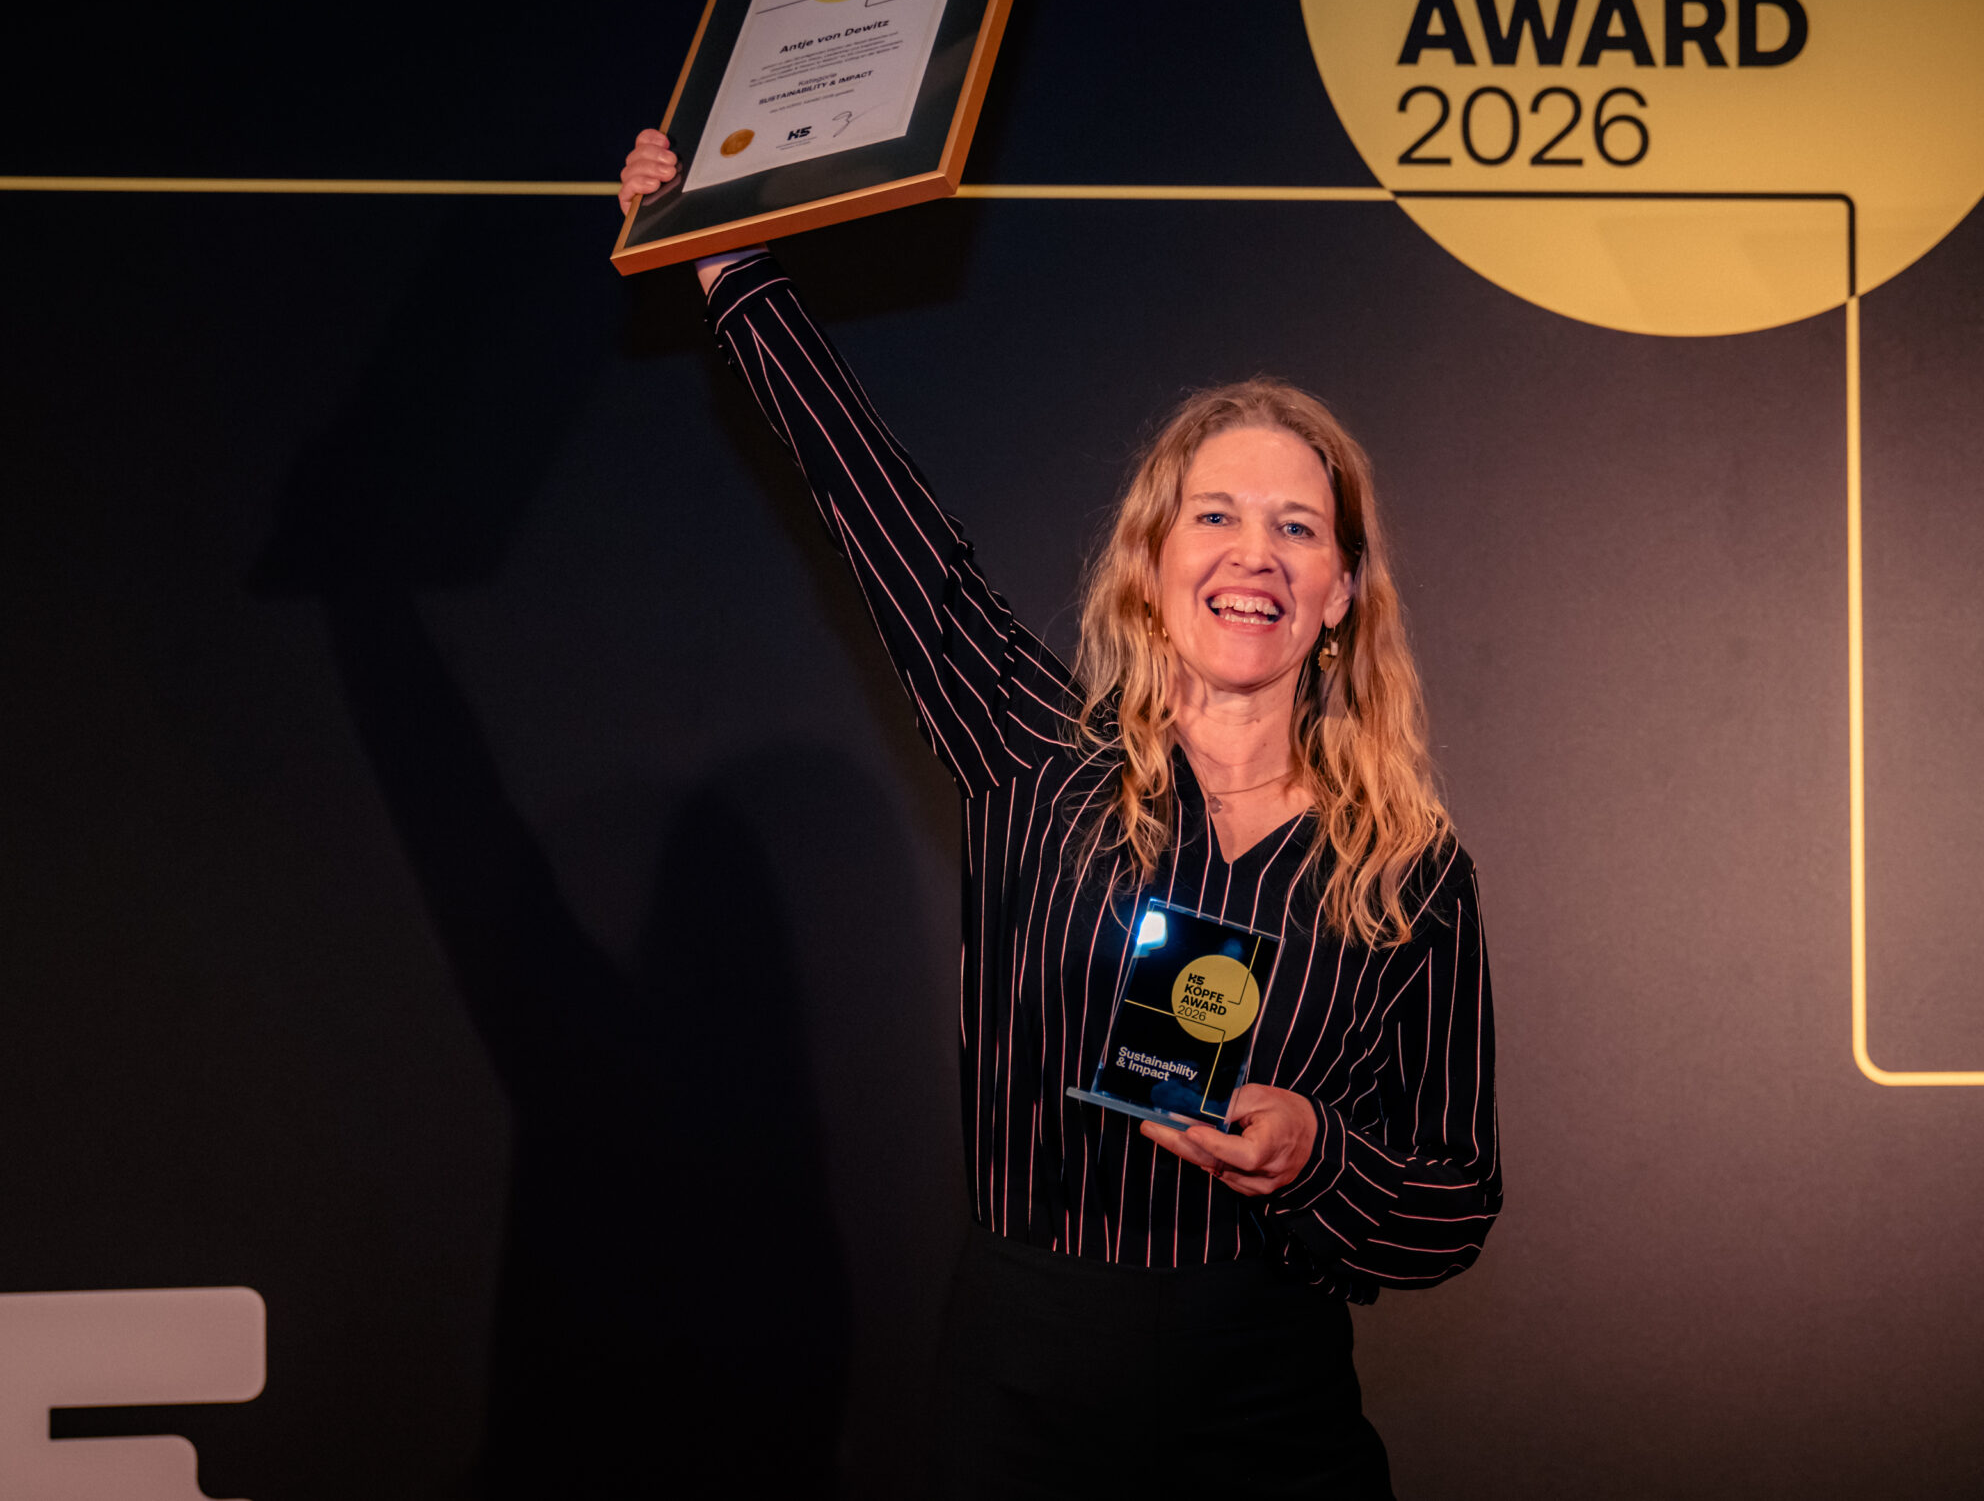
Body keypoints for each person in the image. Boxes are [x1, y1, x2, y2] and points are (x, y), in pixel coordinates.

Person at [620, 129, 1500, 1498]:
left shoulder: (1410, 868)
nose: (1255, 554)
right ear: (1152, 563)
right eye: (1214, 516)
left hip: (1271, 1397)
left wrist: (1317, 1155)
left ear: (1340, 593)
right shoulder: (1035, 749)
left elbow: (1451, 1202)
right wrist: (729, 261)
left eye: (1297, 528)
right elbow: (878, 508)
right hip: (1026, 1389)